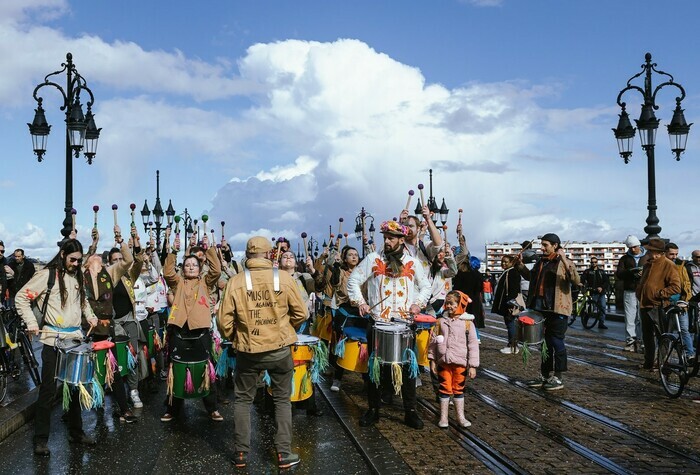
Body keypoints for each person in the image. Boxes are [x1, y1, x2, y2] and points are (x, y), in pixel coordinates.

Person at [217, 236, 307, 470]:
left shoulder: (235, 281)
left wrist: (234, 336)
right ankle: (283, 453)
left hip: (249, 350)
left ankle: (240, 453)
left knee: (244, 400)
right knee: (281, 400)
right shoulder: (285, 278)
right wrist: (287, 329)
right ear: (269, 254)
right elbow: (302, 314)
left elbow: (223, 320)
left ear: (247, 256)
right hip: (279, 349)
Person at [15, 239, 98, 456]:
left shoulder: (77, 275)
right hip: (53, 340)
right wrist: (32, 323)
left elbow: (83, 302)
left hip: (74, 340)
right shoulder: (47, 275)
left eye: (79, 260)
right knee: (48, 391)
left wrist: (90, 316)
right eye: (73, 259)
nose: (76, 264)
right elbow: (21, 297)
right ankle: (41, 439)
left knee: (74, 388)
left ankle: (76, 432)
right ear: (62, 255)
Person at [347, 220, 431, 430]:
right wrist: (361, 303)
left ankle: (410, 411)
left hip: (404, 324)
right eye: (385, 237)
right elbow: (353, 281)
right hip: (378, 323)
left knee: (408, 370)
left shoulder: (412, 262)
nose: (387, 241)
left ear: (402, 240)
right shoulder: (373, 259)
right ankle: (373, 409)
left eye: (391, 238)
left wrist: (417, 305)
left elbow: (426, 286)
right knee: (375, 368)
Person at [161, 233, 223, 422]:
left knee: (205, 368)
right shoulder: (178, 282)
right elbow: (168, 272)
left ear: (199, 267)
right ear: (183, 268)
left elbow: (217, 271)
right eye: (187, 265)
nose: (190, 267)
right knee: (177, 370)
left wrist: (209, 248)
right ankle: (172, 409)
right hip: (179, 331)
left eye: (194, 265)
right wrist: (173, 250)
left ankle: (212, 408)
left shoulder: (205, 282)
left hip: (201, 331)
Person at [83, 227, 137, 423]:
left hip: (106, 328)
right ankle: (74, 411)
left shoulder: (110, 273)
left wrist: (121, 240)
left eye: (98, 256)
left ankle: (123, 408)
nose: (96, 258)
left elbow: (129, 261)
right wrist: (92, 245)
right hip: (85, 329)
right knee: (84, 370)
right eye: (92, 257)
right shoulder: (81, 275)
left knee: (112, 368)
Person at [515, 233, 580, 391]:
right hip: (540, 306)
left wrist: (564, 259)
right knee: (544, 343)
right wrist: (519, 265)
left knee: (556, 341)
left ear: (555, 246)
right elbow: (531, 277)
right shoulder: (540, 262)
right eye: (541, 245)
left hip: (557, 307)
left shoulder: (564, 262)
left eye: (545, 245)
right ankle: (544, 374)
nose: (542, 248)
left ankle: (558, 376)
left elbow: (576, 280)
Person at [428, 290, 479, 428]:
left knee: (459, 389)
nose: (449, 306)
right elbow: (432, 342)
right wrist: (432, 359)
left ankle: (460, 417)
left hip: (460, 363)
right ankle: (443, 417)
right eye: (447, 303)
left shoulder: (468, 324)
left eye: (452, 304)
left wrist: (473, 365)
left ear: (461, 304)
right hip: (443, 362)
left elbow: (473, 345)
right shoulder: (440, 322)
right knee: (444, 389)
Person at [636, 237, 681, 371]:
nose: (648, 253)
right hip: (645, 305)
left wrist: (659, 294)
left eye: (650, 251)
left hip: (659, 306)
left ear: (657, 252)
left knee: (662, 336)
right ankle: (648, 362)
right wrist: (640, 292)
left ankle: (662, 364)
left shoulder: (668, 265)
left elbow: (676, 287)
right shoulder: (648, 265)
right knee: (647, 337)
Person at [329, 245, 365, 392]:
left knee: (364, 343)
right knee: (343, 344)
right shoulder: (342, 272)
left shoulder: (364, 273)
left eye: (356, 254)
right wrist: (336, 266)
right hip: (345, 311)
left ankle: (366, 378)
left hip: (361, 311)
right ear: (345, 258)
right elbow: (335, 283)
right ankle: (337, 378)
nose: (354, 257)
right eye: (350, 254)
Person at [664, 243, 694, 360]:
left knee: (684, 329)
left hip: (680, 303)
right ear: (665, 253)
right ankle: (664, 357)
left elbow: (686, 284)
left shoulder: (681, 265)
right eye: (671, 254)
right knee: (666, 332)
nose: (674, 256)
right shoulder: (661, 266)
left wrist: (685, 299)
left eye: (676, 254)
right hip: (666, 303)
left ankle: (689, 354)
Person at [616, 235, 646, 351]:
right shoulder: (624, 259)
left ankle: (644, 341)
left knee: (643, 317)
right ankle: (631, 341)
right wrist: (631, 272)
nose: (633, 249)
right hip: (630, 290)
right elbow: (619, 273)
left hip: (643, 290)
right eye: (630, 247)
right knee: (630, 317)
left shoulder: (647, 257)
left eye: (634, 247)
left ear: (639, 245)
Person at [492, 255, 522, 354]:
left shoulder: (512, 272)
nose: (503, 263)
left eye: (506, 262)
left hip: (509, 304)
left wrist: (511, 304)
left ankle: (513, 346)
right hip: (506, 303)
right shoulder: (507, 272)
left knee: (511, 324)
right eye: (502, 262)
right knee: (509, 323)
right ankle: (512, 345)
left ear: (512, 262)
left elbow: (514, 289)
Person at [581, 258, 610, 329]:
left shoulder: (601, 272)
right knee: (591, 308)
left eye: (595, 262)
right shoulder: (587, 271)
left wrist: (602, 287)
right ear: (590, 263)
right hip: (592, 292)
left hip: (601, 293)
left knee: (603, 307)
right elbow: (583, 278)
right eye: (592, 262)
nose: (594, 263)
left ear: (597, 263)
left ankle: (601, 323)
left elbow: (606, 281)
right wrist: (582, 283)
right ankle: (585, 321)